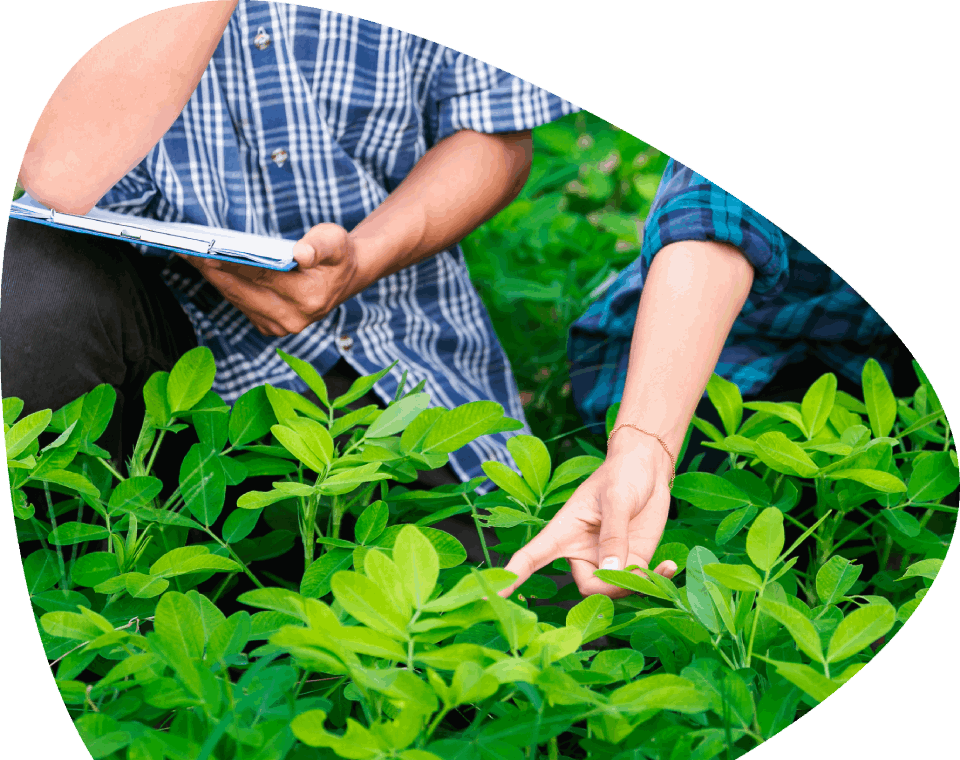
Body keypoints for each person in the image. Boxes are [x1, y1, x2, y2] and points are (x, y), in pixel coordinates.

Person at [3, 2, 578, 569]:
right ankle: (96, 571)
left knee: (501, 620)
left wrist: (364, 257)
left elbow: (493, 137)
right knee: (26, 285)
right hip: (149, 343)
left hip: (386, 347)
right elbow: (61, 170)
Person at [497, 156, 916, 601]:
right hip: (731, 343)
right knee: (778, 536)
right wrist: (644, 449)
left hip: (895, 380)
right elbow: (718, 210)